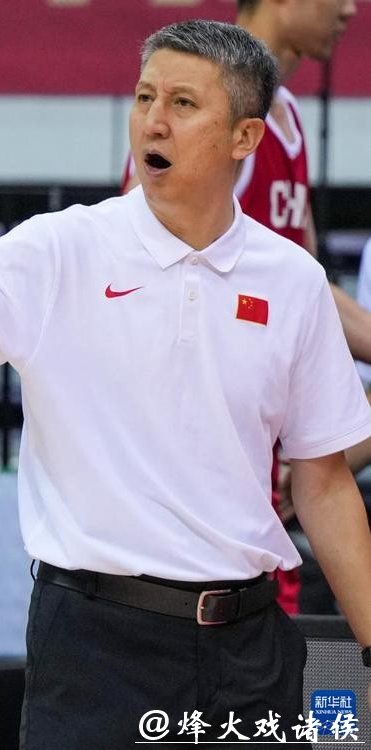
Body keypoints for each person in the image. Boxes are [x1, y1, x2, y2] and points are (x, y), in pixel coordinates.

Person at [0, 19, 371, 749]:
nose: (152, 121)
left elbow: (323, 483)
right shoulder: (58, 248)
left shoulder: (293, 279)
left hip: (251, 646)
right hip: (97, 647)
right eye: (144, 97)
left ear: (245, 137)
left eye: (182, 103)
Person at [123, 0, 370, 617]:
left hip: (259, 434)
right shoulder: (203, 115)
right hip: (191, 458)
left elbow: (306, 284)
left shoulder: (284, 116)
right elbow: (136, 261)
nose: (349, 10)